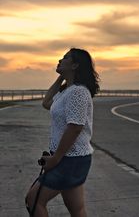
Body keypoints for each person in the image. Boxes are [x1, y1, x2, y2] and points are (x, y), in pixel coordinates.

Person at [26, 48, 100, 217]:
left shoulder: (78, 92)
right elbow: (46, 103)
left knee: (34, 200)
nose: (60, 59)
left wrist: (55, 159)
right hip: (71, 158)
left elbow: (75, 127)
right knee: (77, 209)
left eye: (65, 58)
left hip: (69, 159)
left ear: (75, 65)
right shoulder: (68, 91)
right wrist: (62, 76)